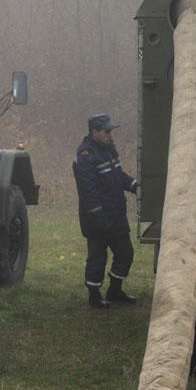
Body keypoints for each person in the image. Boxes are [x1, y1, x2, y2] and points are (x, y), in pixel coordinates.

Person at [73, 113, 138, 309]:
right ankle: (94, 297)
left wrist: (135, 186)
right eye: (106, 131)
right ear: (95, 132)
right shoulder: (86, 156)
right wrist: (100, 218)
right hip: (97, 219)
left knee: (125, 253)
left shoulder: (108, 150)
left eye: (111, 131)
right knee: (97, 259)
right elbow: (88, 193)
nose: (110, 135)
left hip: (116, 215)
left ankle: (114, 291)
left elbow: (118, 176)